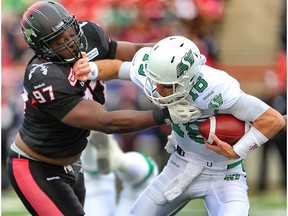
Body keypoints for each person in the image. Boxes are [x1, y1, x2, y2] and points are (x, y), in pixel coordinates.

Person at [6, 2, 201, 216]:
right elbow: (105, 122)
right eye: (57, 40)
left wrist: (175, 54)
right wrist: (164, 115)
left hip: (73, 163)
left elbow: (134, 52)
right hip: (36, 166)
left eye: (69, 32)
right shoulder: (44, 76)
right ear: (42, 47)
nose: (69, 41)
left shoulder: (89, 33)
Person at [101, 36, 284, 216]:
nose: (157, 89)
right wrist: (89, 70)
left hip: (225, 174)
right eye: (156, 81)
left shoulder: (216, 89)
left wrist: (238, 151)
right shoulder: (158, 74)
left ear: (187, 79)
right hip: (180, 165)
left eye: (166, 84)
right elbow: (117, 68)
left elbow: (273, 120)